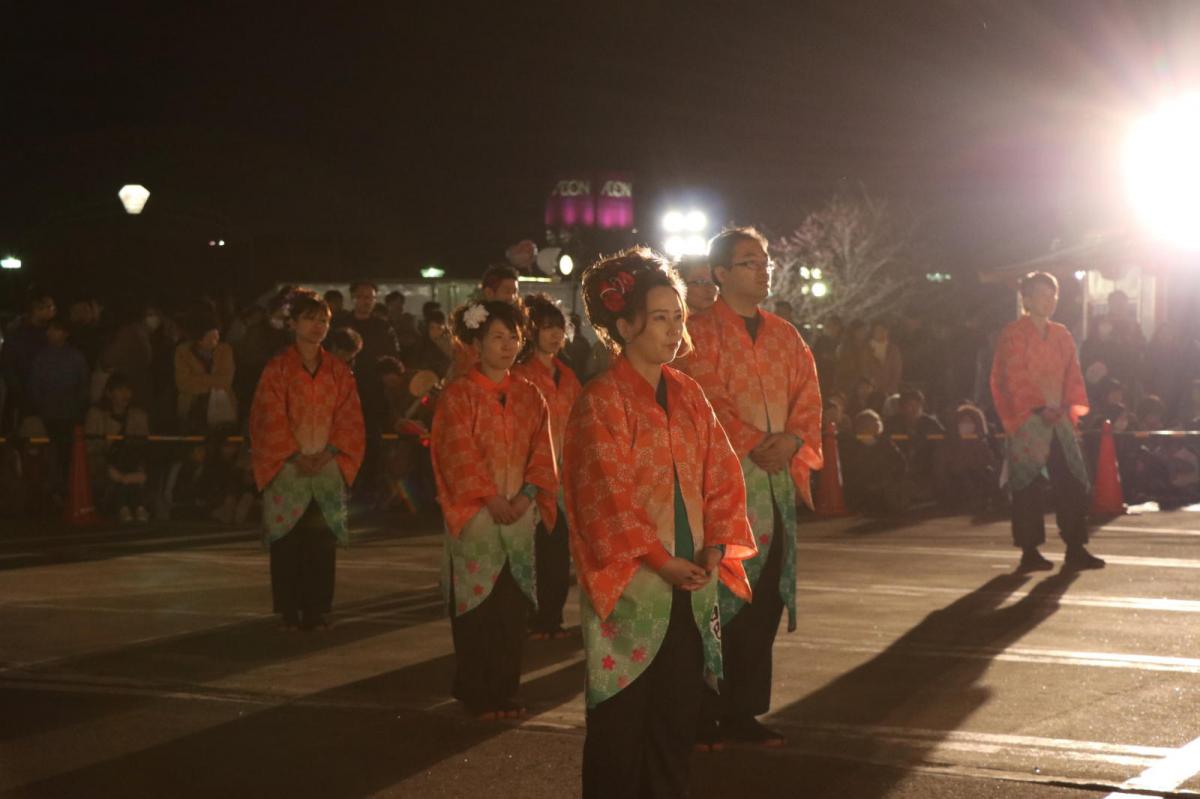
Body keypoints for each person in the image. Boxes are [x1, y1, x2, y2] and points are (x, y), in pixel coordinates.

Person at [564, 247, 756, 798]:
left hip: (691, 579)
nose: (674, 329)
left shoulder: (689, 393)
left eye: (678, 316)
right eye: (659, 318)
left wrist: (715, 548)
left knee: (676, 722)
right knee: (620, 725)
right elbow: (604, 498)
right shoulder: (601, 401)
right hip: (635, 586)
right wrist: (659, 560)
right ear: (624, 326)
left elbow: (722, 474)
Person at [676, 227, 822, 748]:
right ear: (720, 274)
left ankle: (743, 712)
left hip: (775, 488)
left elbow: (808, 393)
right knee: (716, 601)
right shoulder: (697, 334)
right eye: (748, 262)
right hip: (722, 490)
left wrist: (793, 439)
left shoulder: (786, 335)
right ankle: (703, 712)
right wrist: (758, 442)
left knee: (763, 602)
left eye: (765, 262)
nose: (762, 271)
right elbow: (703, 400)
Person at [430, 299, 557, 719]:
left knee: (511, 609)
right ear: (477, 343)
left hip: (518, 515)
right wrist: (489, 496)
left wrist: (525, 496)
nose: (507, 345)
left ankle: (504, 690)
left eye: (513, 337)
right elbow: (456, 452)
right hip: (477, 518)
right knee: (477, 607)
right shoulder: (458, 394)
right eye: (497, 337)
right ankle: (476, 691)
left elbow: (543, 451)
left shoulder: (530, 394)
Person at [250, 289, 365, 631]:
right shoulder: (278, 369)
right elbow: (268, 415)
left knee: (321, 541)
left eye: (324, 321)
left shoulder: (339, 371)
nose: (318, 326)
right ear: (294, 323)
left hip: (327, 466)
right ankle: (289, 609)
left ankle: (317, 608)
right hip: (288, 467)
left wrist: (329, 452)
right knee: (288, 539)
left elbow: (349, 418)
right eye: (310, 319)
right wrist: (293, 453)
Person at [990, 271, 1104, 572]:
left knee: (1072, 480)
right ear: (1026, 300)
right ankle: (1029, 551)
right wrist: (1038, 407)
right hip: (1028, 419)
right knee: (1028, 485)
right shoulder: (1013, 334)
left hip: (1059, 417)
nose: (1049, 300)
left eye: (1053, 294)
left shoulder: (1062, 334)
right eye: (1042, 294)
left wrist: (1065, 406)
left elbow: (1072, 374)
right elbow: (1012, 376)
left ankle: (1075, 546)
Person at [511, 293, 583, 640]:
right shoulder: (520, 375)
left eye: (560, 327)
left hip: (565, 479)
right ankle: (531, 616)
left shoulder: (567, 375)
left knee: (557, 552)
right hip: (529, 478)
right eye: (547, 328)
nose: (556, 335)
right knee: (532, 551)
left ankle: (551, 617)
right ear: (531, 332)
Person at [29, 317, 90, 490]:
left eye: (54, 329)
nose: (49, 332)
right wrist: (40, 408)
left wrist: (79, 410)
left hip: (69, 415)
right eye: (49, 329)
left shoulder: (76, 357)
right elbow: (34, 387)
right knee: (49, 455)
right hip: (48, 416)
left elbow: (83, 387)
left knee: (67, 456)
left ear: (65, 333)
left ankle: (66, 488)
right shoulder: (41, 357)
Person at [85, 373, 151, 523]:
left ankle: (133, 506)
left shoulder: (138, 415)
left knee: (129, 470)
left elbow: (143, 445)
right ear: (109, 393)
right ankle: (128, 506)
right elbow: (91, 447)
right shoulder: (96, 415)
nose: (125, 394)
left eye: (128, 390)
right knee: (118, 473)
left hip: (131, 464)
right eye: (120, 390)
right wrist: (107, 463)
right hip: (105, 464)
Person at [175, 308, 237, 434]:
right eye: (212, 334)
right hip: (192, 408)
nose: (217, 337)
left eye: (217, 333)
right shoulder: (183, 351)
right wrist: (214, 382)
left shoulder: (225, 349)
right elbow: (183, 383)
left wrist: (197, 378)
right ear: (199, 337)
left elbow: (225, 381)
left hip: (223, 407)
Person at [842, 409, 911, 514]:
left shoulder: (885, 442)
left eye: (877, 421)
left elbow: (900, 462)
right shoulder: (852, 444)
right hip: (862, 486)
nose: (877, 424)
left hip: (885, 484)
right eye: (870, 423)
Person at [883, 386, 945, 500]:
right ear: (902, 407)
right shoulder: (892, 423)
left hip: (924, 467)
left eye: (917, 405)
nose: (914, 409)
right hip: (898, 467)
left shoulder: (931, 424)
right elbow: (884, 442)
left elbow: (942, 441)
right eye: (909, 405)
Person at [860, 320, 903, 396]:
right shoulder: (866, 348)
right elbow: (864, 369)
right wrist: (870, 385)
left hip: (890, 390)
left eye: (883, 330)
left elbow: (897, 370)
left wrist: (891, 387)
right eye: (878, 330)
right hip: (871, 390)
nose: (881, 332)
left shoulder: (893, 349)